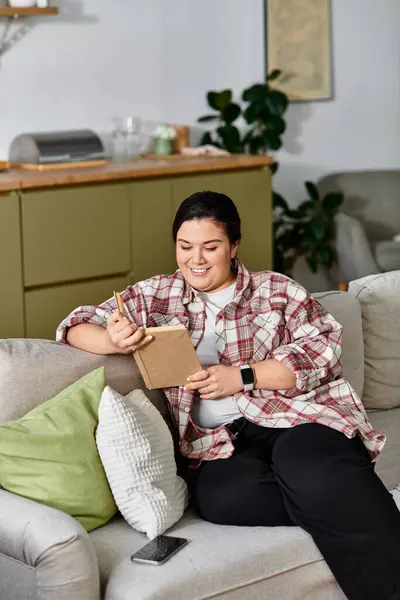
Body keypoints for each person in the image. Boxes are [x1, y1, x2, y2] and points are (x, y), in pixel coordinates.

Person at [57, 190, 400, 600]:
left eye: (211, 247)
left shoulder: (277, 290)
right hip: (219, 444)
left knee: (309, 466)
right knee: (224, 500)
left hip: (293, 418)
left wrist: (243, 376)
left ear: (234, 246)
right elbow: (74, 325)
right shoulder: (156, 295)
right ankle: (351, 489)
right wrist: (115, 338)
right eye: (185, 247)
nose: (196, 259)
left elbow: (322, 351)